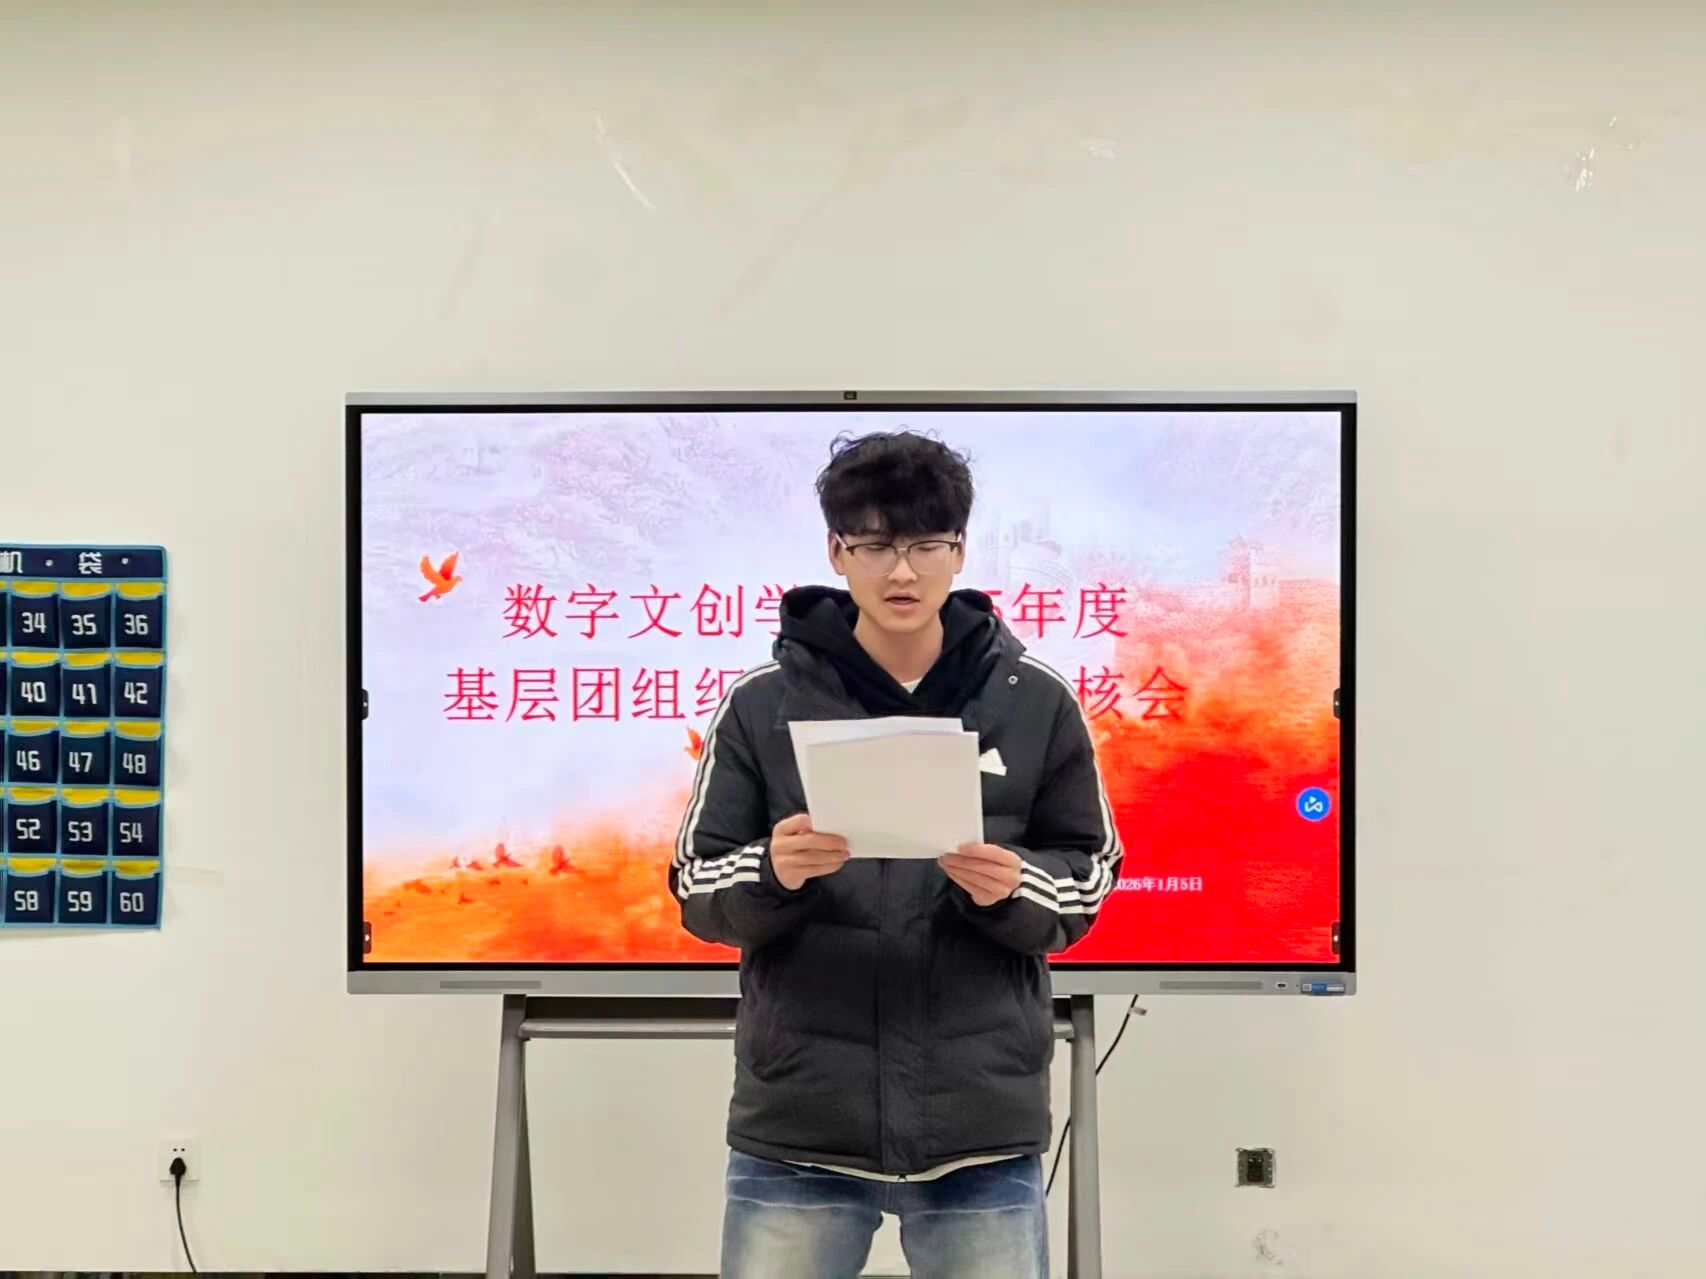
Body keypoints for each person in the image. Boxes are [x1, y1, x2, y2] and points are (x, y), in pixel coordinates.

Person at [670, 430, 1122, 1279]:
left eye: (925, 544)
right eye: (875, 545)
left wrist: (1015, 885)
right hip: (801, 1124)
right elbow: (696, 880)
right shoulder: (763, 705)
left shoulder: (1035, 701)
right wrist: (773, 870)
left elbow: (1090, 874)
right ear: (836, 551)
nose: (902, 571)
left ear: (960, 550)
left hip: (978, 1125)